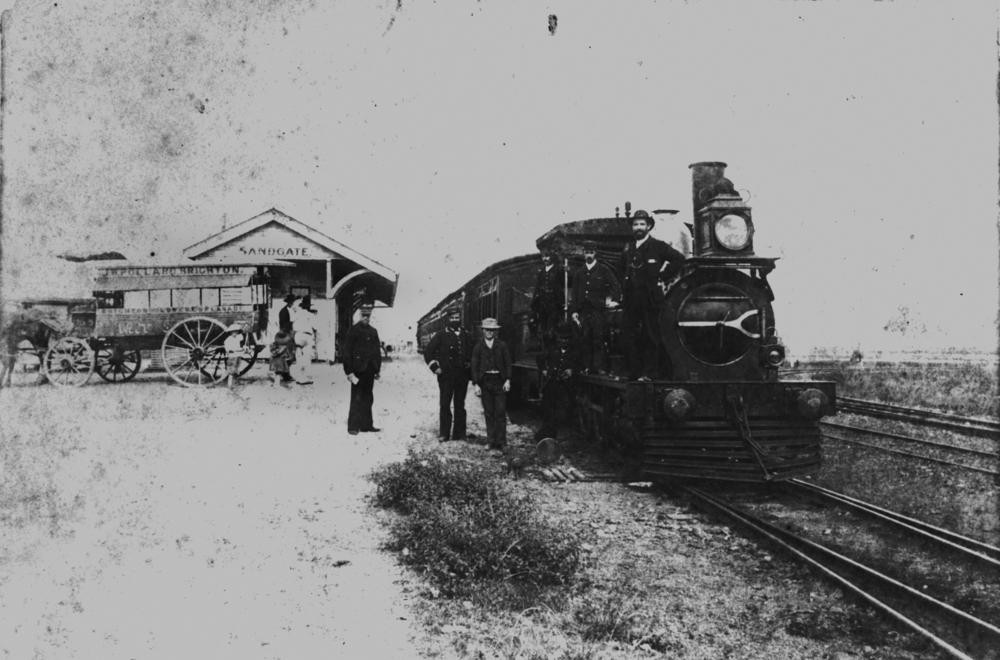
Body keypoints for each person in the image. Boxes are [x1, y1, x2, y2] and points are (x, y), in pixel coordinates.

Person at [619, 210, 686, 381]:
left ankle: (650, 374)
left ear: (648, 226)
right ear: (632, 228)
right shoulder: (628, 248)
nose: (638, 227)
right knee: (629, 335)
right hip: (631, 299)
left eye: (642, 224)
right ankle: (633, 373)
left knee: (651, 335)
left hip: (650, 298)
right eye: (635, 224)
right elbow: (620, 269)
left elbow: (679, 259)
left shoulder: (658, 246)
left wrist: (662, 277)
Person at [571, 241, 621, 374]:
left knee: (598, 338)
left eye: (591, 252)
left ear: (595, 253)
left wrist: (614, 301)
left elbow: (616, 286)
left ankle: (599, 367)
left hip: (597, 311)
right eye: (587, 252)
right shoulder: (579, 273)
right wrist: (574, 311)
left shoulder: (603, 270)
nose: (589, 255)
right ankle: (587, 367)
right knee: (585, 338)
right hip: (583, 311)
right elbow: (574, 293)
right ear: (583, 253)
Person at [424, 310, 472, 441]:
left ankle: (459, 433)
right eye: (453, 318)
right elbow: (428, 352)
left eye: (458, 317)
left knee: (460, 405)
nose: (456, 320)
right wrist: (435, 367)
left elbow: (472, 353)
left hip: (462, 376)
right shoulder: (441, 335)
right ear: (448, 319)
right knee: (445, 404)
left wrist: (470, 366)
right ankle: (444, 433)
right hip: (446, 376)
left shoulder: (466, 334)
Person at [470, 317, 511, 450]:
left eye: (492, 330)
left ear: (495, 332)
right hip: (485, 382)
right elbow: (474, 366)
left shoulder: (502, 345)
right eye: (487, 330)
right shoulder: (478, 347)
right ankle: (491, 441)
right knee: (489, 413)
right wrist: (476, 384)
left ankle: (502, 442)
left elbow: (508, 364)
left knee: (500, 412)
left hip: (499, 381)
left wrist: (508, 380)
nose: (489, 332)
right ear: (483, 331)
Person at [535, 322, 581, 440]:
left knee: (562, 411)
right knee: (548, 409)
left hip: (565, 387)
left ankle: (562, 436)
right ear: (558, 338)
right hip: (552, 384)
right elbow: (539, 358)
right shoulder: (552, 350)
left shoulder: (575, 352)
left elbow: (581, 364)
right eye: (561, 338)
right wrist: (544, 370)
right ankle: (546, 436)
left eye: (566, 339)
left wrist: (572, 371)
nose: (564, 341)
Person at [342, 303, 382, 435]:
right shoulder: (353, 331)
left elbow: (377, 351)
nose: (366, 318)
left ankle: (366, 425)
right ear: (360, 315)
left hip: (370, 370)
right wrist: (349, 372)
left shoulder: (373, 331)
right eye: (364, 315)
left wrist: (377, 369)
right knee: (357, 398)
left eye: (368, 316)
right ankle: (353, 426)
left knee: (368, 398)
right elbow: (347, 352)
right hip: (357, 370)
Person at [530, 248, 567, 351]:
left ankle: (554, 354)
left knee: (552, 331)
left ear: (551, 257)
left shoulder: (558, 270)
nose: (545, 259)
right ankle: (546, 353)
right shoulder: (541, 272)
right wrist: (534, 305)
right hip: (543, 306)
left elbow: (566, 282)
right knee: (544, 331)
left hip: (554, 306)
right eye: (543, 257)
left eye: (547, 256)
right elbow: (537, 288)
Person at [290, 295, 318, 385]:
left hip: (298, 336)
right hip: (307, 336)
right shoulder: (310, 315)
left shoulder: (296, 314)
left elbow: (293, 325)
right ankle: (304, 377)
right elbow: (315, 327)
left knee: (299, 356)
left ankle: (299, 377)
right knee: (306, 357)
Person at [223, 322, 248, 389]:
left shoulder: (237, 338)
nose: (235, 333)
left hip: (237, 356)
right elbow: (230, 349)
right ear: (230, 332)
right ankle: (230, 385)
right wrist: (241, 349)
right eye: (233, 332)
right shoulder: (228, 340)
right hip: (232, 357)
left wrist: (245, 328)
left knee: (236, 370)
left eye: (236, 332)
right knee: (231, 371)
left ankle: (234, 383)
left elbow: (242, 336)